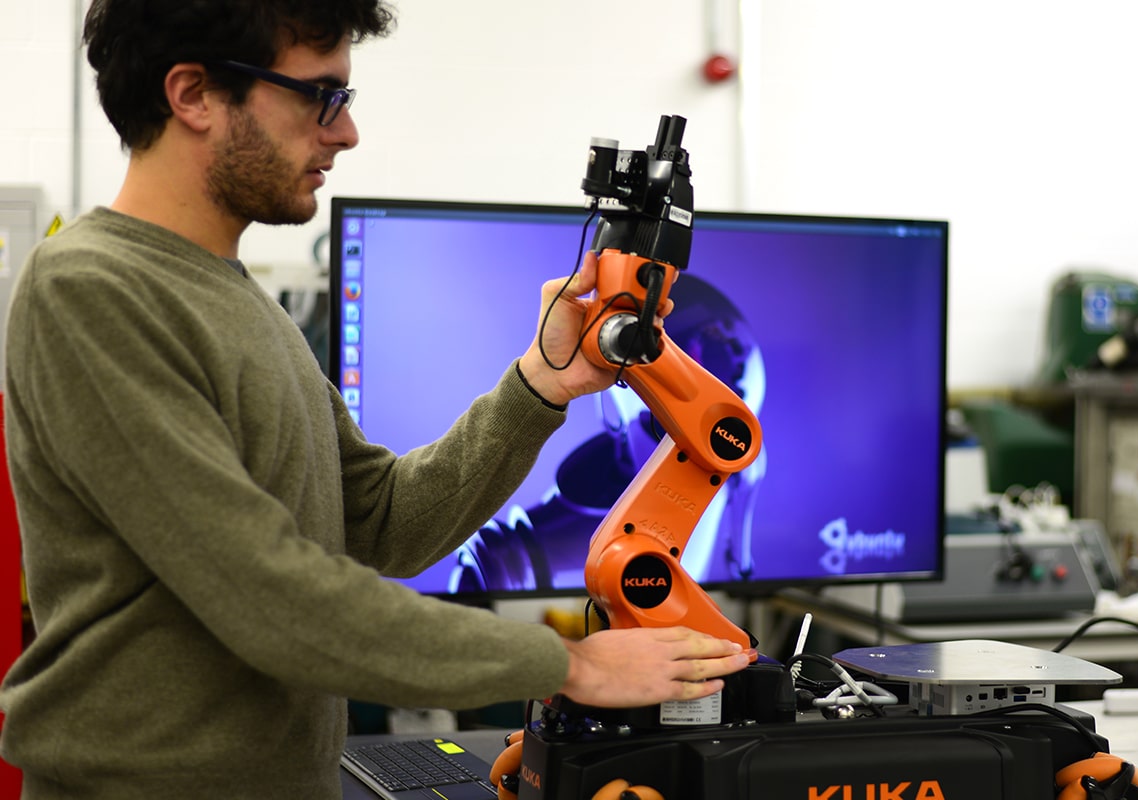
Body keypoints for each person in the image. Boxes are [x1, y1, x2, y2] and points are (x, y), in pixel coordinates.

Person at [0, 1, 751, 797]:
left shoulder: (243, 305)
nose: (345, 133)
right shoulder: (90, 290)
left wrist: (540, 383)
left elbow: (380, 523)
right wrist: (568, 664)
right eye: (321, 97)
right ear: (193, 94)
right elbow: (266, 594)